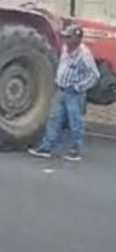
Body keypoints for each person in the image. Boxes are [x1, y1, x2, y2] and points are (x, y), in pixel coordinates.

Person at [28, 24, 100, 161]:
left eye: (69, 37)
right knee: (54, 118)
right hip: (61, 89)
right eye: (65, 37)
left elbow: (94, 75)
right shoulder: (66, 49)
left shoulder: (84, 55)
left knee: (75, 121)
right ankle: (47, 147)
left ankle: (75, 149)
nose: (65, 40)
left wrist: (79, 87)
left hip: (74, 93)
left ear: (78, 38)